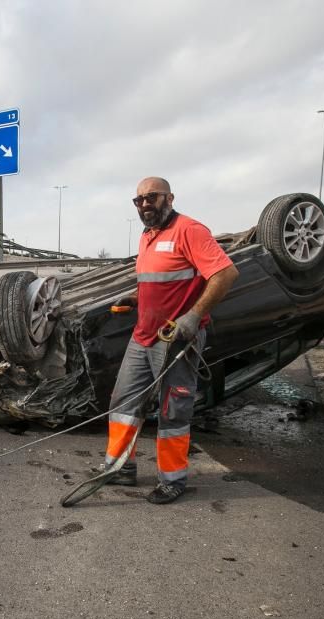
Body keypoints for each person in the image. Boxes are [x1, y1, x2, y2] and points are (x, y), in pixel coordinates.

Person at [103, 177, 239, 504]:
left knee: (173, 410)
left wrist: (193, 317)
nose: (145, 204)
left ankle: (172, 479)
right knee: (123, 403)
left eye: (152, 197)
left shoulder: (189, 230)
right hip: (143, 336)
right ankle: (120, 467)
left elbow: (225, 274)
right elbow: (160, 282)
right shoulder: (148, 237)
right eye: (139, 200)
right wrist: (137, 299)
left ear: (169, 197)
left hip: (174, 339)